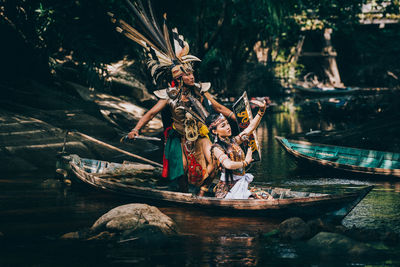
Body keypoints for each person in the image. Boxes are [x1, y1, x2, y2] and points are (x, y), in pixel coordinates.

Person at [108, 3, 235, 192]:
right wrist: (136, 129)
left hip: (201, 134)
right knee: (181, 172)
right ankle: (185, 195)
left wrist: (238, 119)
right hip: (179, 137)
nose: (192, 76)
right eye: (187, 74)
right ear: (179, 78)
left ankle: (202, 190)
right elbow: (150, 114)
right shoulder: (169, 96)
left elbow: (219, 108)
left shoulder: (201, 90)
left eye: (192, 73)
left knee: (215, 160)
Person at [205, 98, 273, 199]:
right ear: (215, 131)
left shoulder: (233, 141)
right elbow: (228, 164)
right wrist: (246, 162)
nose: (228, 127)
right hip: (229, 190)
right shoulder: (216, 148)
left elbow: (250, 128)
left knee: (268, 198)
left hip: (241, 184)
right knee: (265, 199)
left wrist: (261, 111)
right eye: (223, 126)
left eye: (227, 124)